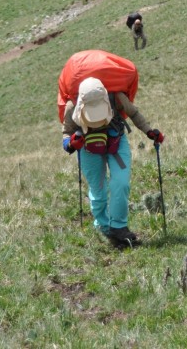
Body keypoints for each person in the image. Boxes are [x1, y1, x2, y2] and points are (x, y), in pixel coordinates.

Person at [62, 76, 164, 247]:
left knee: (121, 182)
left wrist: (149, 131)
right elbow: (66, 132)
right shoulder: (72, 106)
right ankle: (103, 226)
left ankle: (118, 227)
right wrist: (70, 144)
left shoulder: (115, 96)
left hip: (116, 142)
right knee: (98, 190)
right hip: (88, 148)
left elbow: (134, 113)